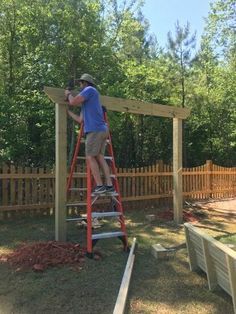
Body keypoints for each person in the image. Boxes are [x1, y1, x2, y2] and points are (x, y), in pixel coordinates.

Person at [65, 73, 115, 195]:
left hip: (95, 130)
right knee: (99, 157)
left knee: (89, 156)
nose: (80, 86)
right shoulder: (87, 103)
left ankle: (99, 185)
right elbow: (81, 120)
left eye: (80, 84)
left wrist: (68, 94)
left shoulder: (89, 89)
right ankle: (109, 185)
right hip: (102, 130)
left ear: (85, 83)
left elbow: (73, 102)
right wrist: (68, 112)